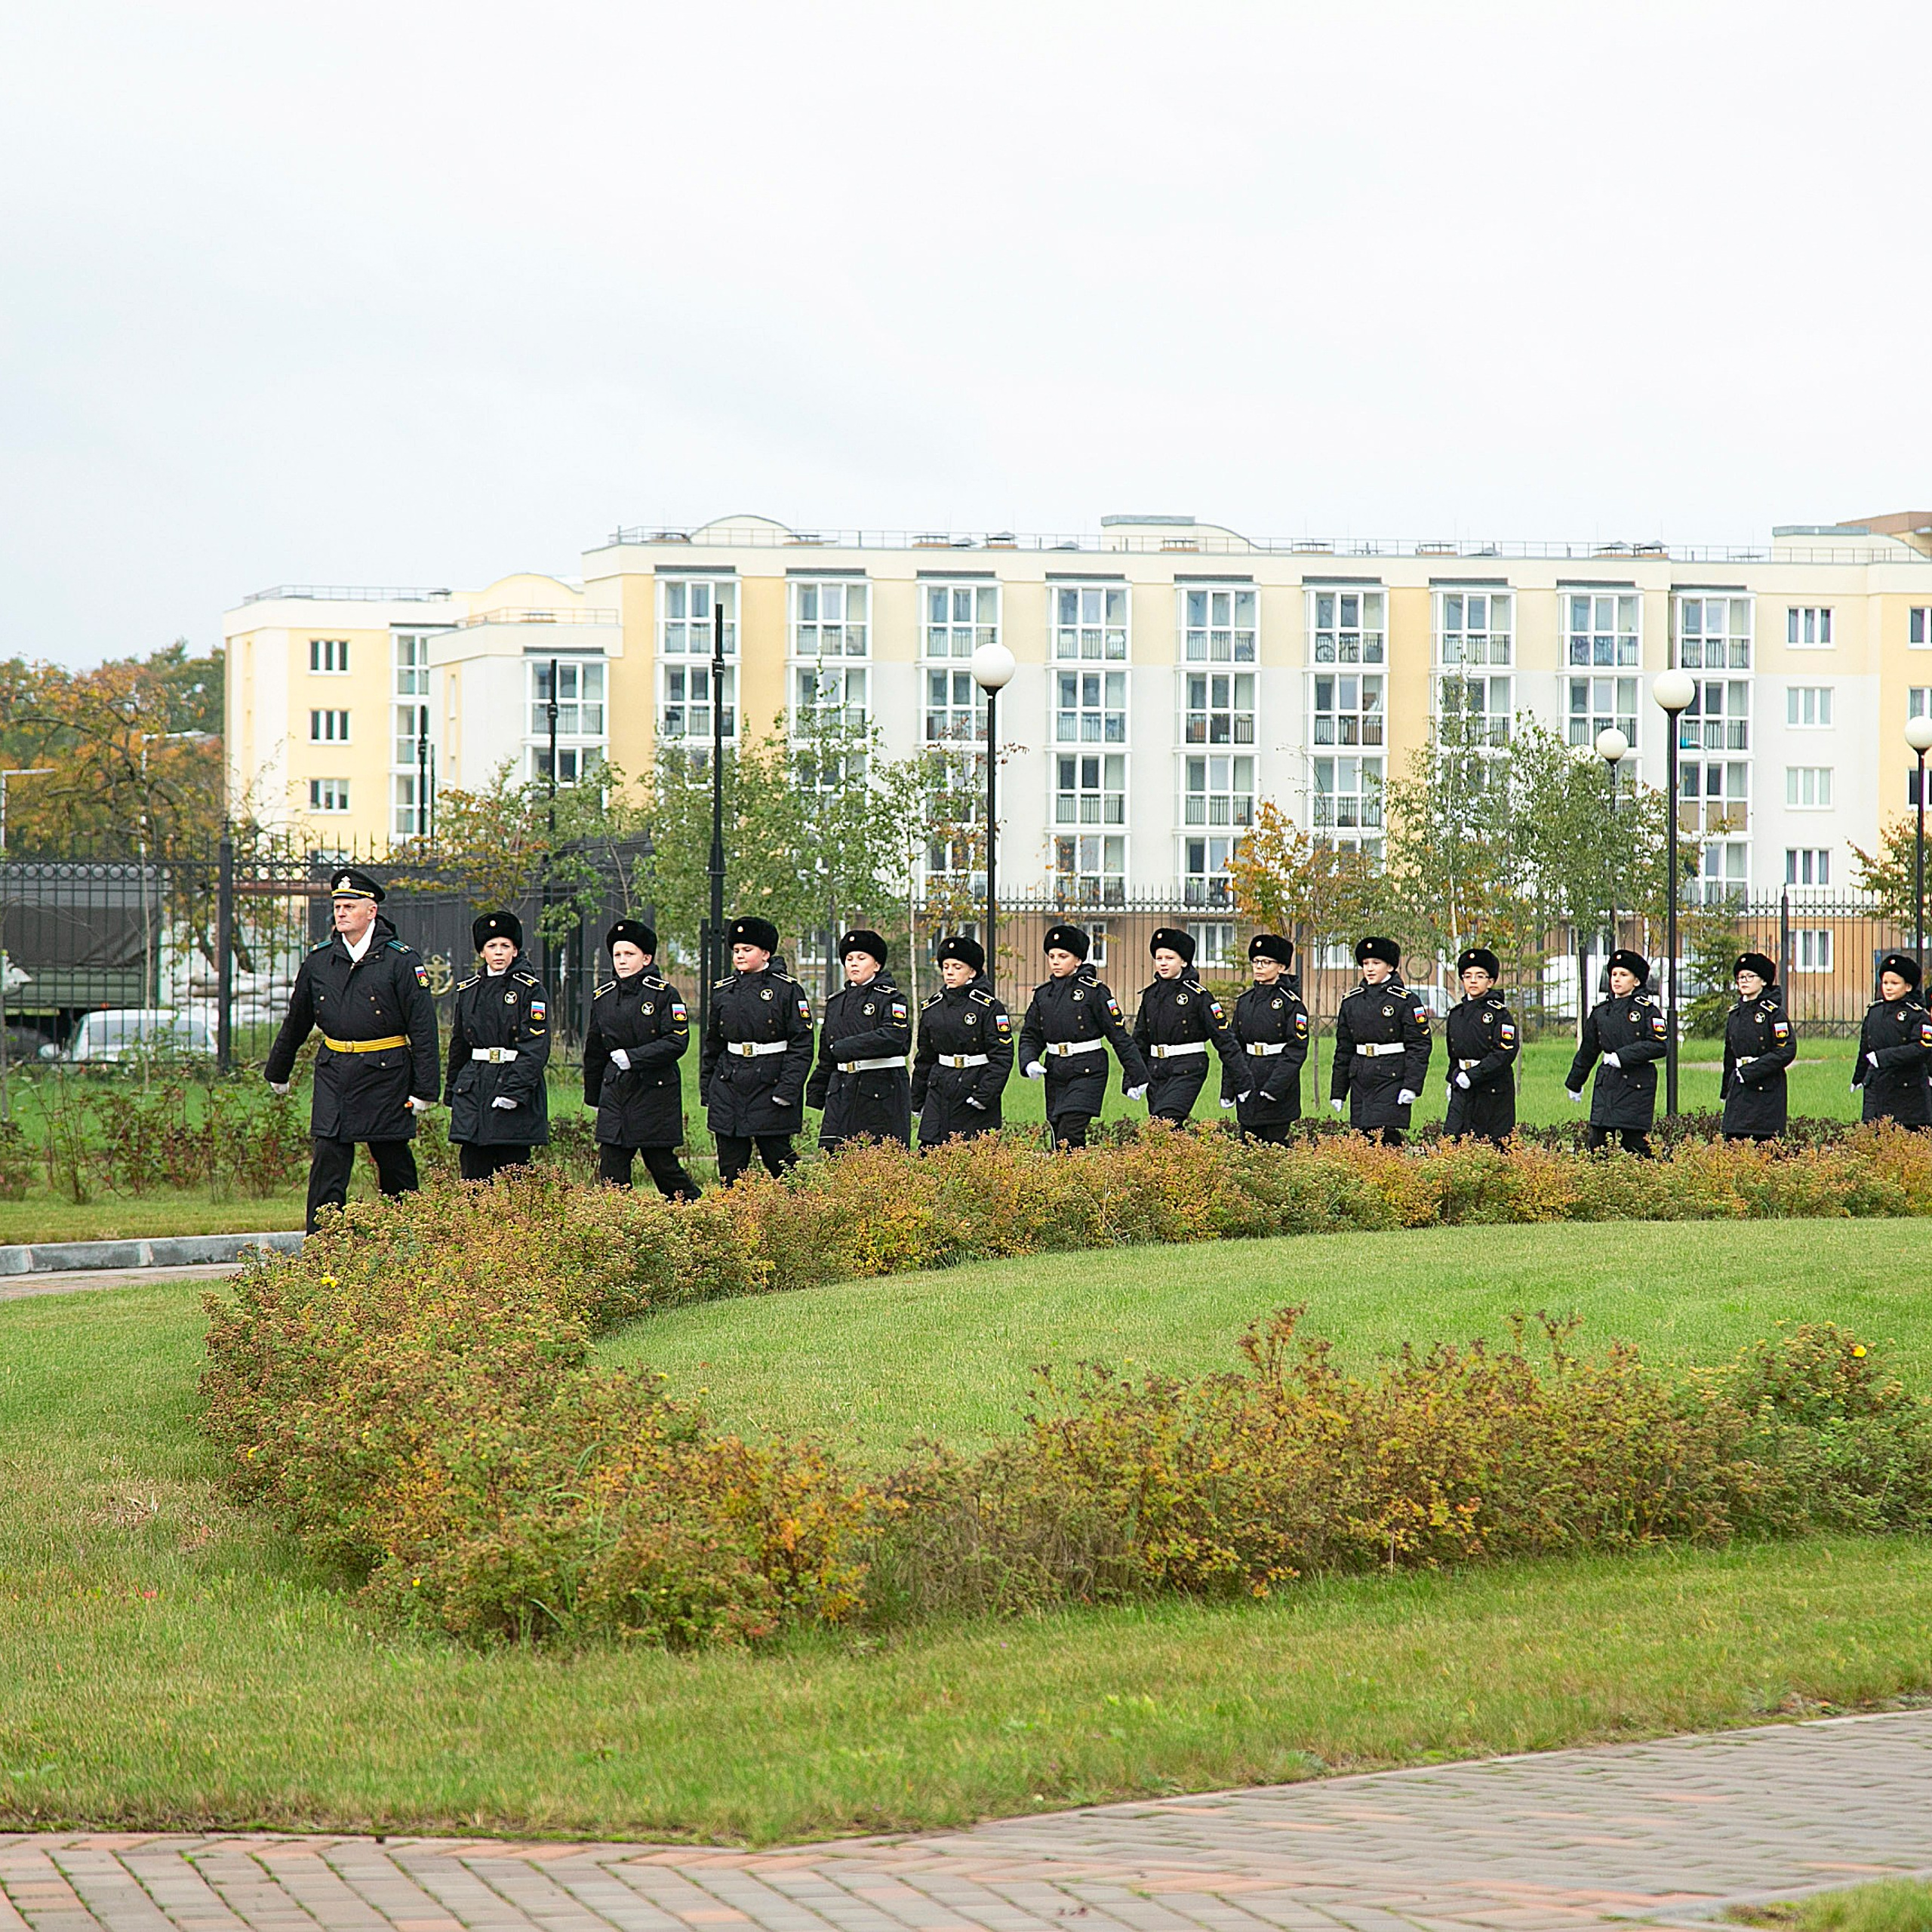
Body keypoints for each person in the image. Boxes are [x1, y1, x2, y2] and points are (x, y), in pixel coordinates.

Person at [264, 868, 441, 1233]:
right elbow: (297, 1019)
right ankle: (322, 1245)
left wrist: (425, 1090)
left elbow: (423, 1029)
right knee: (329, 1158)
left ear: (371, 911)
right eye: (337, 906)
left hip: (386, 1072)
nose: (340, 913)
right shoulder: (319, 960)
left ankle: (408, 1237)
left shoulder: (401, 960)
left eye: (349, 906)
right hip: (335, 1072)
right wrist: (278, 1069)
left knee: (393, 1160)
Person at [583, 919, 700, 1201]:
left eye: (630, 955)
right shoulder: (604, 997)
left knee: (661, 1164)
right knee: (611, 1167)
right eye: (618, 955)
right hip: (616, 1092)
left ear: (646, 958)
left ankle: (693, 1211)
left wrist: (635, 1058)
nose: (622, 961)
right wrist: (595, 1096)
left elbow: (676, 1040)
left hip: (653, 1091)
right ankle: (620, 1224)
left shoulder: (664, 994)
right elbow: (594, 1050)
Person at [700, 914, 814, 1182]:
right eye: (736, 950)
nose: (739, 955)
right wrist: (709, 1088)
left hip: (770, 1082)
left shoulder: (787, 990)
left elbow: (802, 1044)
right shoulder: (723, 990)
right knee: (730, 1164)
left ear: (765, 953)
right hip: (730, 1081)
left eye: (747, 950)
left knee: (779, 1159)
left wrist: (788, 1089)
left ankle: (804, 1211)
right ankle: (735, 1217)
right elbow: (713, 1043)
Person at [1017, 923, 1150, 1149]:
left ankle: (1075, 1179)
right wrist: (1029, 1060)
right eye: (1051, 956)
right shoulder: (1043, 995)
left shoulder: (1095, 992)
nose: (1056, 961)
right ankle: (1072, 1179)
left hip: (1087, 1070)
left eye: (1063, 956)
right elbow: (1031, 1034)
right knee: (1058, 1132)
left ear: (1078, 960)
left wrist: (1137, 1075)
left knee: (1071, 1131)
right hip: (1056, 1070)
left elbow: (1118, 1036)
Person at [443, 909, 550, 1180]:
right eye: (492, 946)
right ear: (482, 952)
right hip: (474, 1086)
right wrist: (452, 1089)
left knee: (515, 1175)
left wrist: (515, 1091)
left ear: (515, 951)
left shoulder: (530, 989)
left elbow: (536, 1046)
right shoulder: (468, 990)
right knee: (473, 1172)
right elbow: (459, 1044)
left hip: (512, 1083)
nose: (499, 952)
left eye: (505, 946)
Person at [807, 928, 912, 1154]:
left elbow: (896, 1037)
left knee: (878, 1159)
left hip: (880, 1091)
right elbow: (828, 1050)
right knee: (836, 1155)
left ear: (877, 965)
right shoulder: (836, 1003)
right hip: (842, 1089)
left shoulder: (890, 998)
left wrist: (849, 1047)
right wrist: (817, 1088)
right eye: (849, 959)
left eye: (861, 958)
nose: (854, 964)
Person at [1132, 926, 1244, 1126]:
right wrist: (1132, 1077)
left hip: (1188, 1068)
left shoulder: (1198, 996)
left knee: (1166, 1122)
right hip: (1156, 1070)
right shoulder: (1150, 996)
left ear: (1184, 961)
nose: (1163, 964)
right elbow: (1140, 1039)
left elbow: (1225, 1040)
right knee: (1162, 1129)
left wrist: (1241, 1081)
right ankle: (1190, 1157)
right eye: (1159, 958)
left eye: (1170, 958)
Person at [910, 934, 1013, 1146]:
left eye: (957, 967)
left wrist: (984, 1096)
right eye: (946, 966)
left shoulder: (988, 1008)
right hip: (940, 1088)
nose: (949, 972)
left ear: (972, 972)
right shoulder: (932, 1008)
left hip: (973, 1088)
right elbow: (925, 1057)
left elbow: (1002, 1056)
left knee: (972, 1155)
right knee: (929, 1151)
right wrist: (917, 1098)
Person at [1565, 946, 1668, 1155]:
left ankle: (1656, 1179)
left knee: (1635, 1144)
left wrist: (1623, 1057)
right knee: (1598, 1143)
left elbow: (1659, 1044)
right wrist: (1575, 1082)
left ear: (1636, 981)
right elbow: (1588, 1051)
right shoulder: (1601, 1013)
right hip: (1608, 1082)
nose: (1617, 980)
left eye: (1623, 975)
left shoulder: (1647, 1010)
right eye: (1613, 974)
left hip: (1637, 1083)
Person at [1330, 936, 1432, 1145]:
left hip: (1391, 1075)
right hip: (1361, 1077)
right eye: (1366, 964)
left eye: (1376, 963)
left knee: (1385, 1135)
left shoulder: (1405, 1001)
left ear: (1391, 966)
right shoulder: (1352, 1001)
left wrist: (1412, 1085)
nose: (1370, 969)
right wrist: (1338, 1091)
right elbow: (1344, 1049)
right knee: (1361, 1137)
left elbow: (1419, 1046)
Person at [1224, 934, 1310, 1143]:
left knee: (1274, 1146)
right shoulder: (1245, 1002)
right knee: (1248, 1145)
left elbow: (1296, 1050)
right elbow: (1233, 1047)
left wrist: (1274, 1088)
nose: (1259, 967)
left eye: (1266, 962)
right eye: (1256, 961)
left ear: (1281, 967)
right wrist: (1229, 1088)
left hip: (1277, 1083)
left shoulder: (1291, 1004)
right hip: (1249, 1076)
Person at [1442, 946, 1519, 1147]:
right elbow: (1454, 1054)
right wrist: (1452, 1079)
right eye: (1468, 976)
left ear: (1491, 981)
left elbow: (1504, 1052)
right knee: (1454, 1140)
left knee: (1491, 1144)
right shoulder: (1456, 1014)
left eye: (1480, 976)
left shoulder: (1499, 1014)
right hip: (1462, 1085)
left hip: (1492, 1088)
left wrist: (1474, 1075)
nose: (1473, 981)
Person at [1851, 950, 1932, 1131]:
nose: (1888, 988)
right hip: (1877, 1088)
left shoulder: (1917, 1016)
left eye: (1894, 983)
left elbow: (1923, 1047)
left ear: (1908, 987)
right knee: (1875, 1137)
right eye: (1885, 983)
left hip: (1907, 1092)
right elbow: (1865, 1046)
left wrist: (1884, 1057)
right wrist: (1859, 1076)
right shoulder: (1874, 1012)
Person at [1721, 949, 1796, 1143]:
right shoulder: (1735, 1014)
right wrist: (1726, 1089)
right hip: (1740, 1087)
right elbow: (1730, 1053)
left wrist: (1752, 1070)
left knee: (1763, 1147)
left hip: (1766, 1089)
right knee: (1734, 1143)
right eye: (1740, 977)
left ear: (1763, 981)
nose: (1744, 981)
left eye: (1749, 976)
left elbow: (1786, 1050)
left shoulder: (1773, 1013)